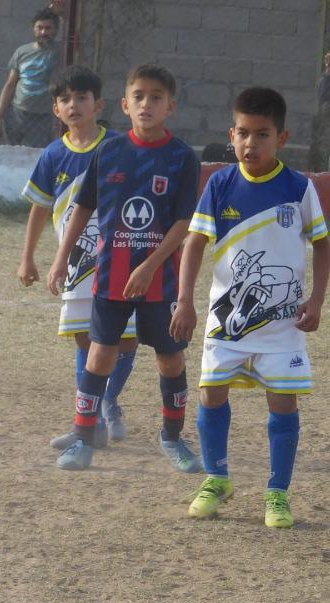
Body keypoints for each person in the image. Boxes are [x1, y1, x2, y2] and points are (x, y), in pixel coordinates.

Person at [170, 87, 329, 528]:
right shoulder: (220, 185)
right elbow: (194, 243)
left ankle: (277, 493)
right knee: (211, 392)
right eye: (243, 133)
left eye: (262, 134)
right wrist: (185, 301)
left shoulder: (298, 188)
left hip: (283, 325)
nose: (250, 143)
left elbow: (322, 243)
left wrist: (317, 299)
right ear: (232, 134)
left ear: (282, 138)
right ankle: (217, 479)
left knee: (282, 401)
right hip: (227, 321)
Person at [47, 64, 203, 473]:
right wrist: (62, 257)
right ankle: (84, 439)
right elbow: (84, 205)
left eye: (156, 97)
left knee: (170, 359)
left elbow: (183, 222)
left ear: (170, 106)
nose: (146, 104)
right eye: (139, 96)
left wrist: (150, 265)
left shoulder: (181, 157)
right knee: (100, 354)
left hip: (160, 279)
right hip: (110, 276)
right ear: (124, 104)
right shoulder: (110, 151)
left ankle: (172, 438)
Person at [19, 66, 138, 450]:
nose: (73, 105)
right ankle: (90, 421)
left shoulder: (118, 147)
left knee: (126, 341)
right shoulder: (53, 155)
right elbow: (40, 207)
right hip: (75, 263)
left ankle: (108, 400)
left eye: (81, 98)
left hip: (120, 259)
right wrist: (28, 257)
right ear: (56, 109)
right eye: (65, 99)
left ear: (98, 104)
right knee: (85, 339)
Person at [0, 7, 61, 148]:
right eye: (39, 28)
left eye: (48, 28)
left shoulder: (60, 52)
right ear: (33, 29)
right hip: (16, 114)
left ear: (56, 30)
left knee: (34, 154)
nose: (43, 32)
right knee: (11, 153)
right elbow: (10, 85)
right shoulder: (22, 52)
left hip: (42, 117)